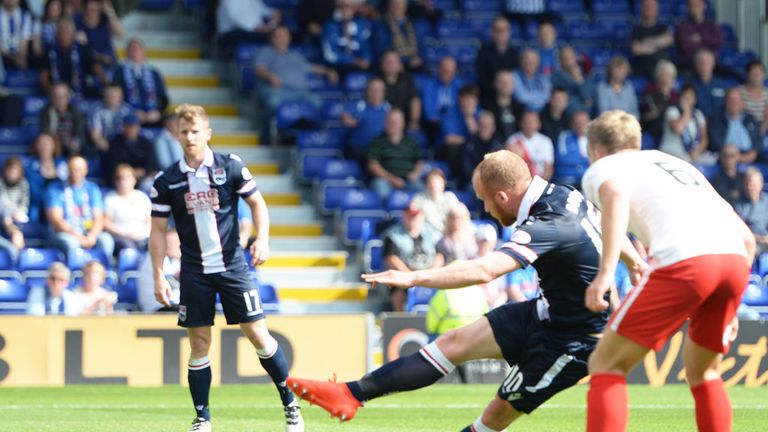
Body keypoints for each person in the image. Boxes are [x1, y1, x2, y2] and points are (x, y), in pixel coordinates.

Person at [286, 150, 626, 431]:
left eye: (485, 202)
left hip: (575, 337)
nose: (487, 210)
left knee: (495, 416)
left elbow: (484, 270)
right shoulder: (563, 194)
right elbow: (607, 222)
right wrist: (636, 262)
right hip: (546, 311)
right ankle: (349, 394)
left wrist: (415, 278)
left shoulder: (548, 224)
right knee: (453, 342)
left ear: (503, 195)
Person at [580, 110, 754, 432]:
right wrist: (731, 309)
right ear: (637, 141)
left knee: (605, 364)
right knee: (705, 373)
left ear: (595, 150)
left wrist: (605, 273)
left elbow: (615, 196)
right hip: (733, 260)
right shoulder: (676, 163)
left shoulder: (603, 167)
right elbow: (745, 237)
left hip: (686, 261)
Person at [149, 104, 303, 432]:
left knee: (257, 334)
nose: (190, 138)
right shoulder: (167, 180)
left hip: (233, 266)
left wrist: (262, 239)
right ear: (176, 135)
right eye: (184, 132)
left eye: (195, 131)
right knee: (199, 343)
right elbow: (158, 231)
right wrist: (158, 273)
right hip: (194, 270)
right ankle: (202, 418)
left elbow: (257, 203)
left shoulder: (229, 166)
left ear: (208, 134)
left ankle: (290, 402)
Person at [253, 25, 336, 113]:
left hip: (301, 92)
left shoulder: (295, 55)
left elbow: (311, 67)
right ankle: (274, 126)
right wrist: (270, 76)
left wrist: (328, 71)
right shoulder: (265, 52)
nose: (281, 38)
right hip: (279, 91)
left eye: (284, 35)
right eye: (277, 36)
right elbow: (259, 70)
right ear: (271, 39)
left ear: (289, 38)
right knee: (274, 101)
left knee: (318, 103)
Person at [45, 155, 114, 259]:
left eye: (79, 169)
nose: (75, 172)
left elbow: (98, 217)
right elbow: (56, 220)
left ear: (86, 170)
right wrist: (78, 237)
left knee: (106, 239)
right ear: (68, 169)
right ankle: (76, 272)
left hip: (88, 231)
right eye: (72, 169)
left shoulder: (92, 189)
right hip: (65, 233)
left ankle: (103, 272)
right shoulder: (55, 189)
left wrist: (92, 236)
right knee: (72, 243)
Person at [379, 201, 442, 312]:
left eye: (415, 216)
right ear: (404, 216)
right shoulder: (393, 235)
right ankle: (400, 321)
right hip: (405, 275)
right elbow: (391, 259)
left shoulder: (432, 233)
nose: (412, 219)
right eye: (409, 216)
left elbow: (440, 256)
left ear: (421, 217)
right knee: (398, 291)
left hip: (429, 274)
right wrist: (410, 277)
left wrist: (431, 274)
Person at [367, 108, 423, 200]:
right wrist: (391, 179)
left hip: (408, 181)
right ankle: (385, 215)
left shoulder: (411, 142)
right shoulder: (377, 141)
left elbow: (420, 161)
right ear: (385, 123)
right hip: (385, 180)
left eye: (396, 122)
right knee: (381, 192)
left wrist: (415, 173)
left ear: (403, 124)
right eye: (390, 122)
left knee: (421, 191)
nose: (393, 125)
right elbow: (372, 165)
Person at [112, 38, 169, 127]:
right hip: (128, 117)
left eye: (138, 49)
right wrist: (131, 111)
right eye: (132, 49)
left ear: (144, 52)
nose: (135, 52)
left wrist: (158, 112)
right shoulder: (119, 72)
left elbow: (163, 98)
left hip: (153, 117)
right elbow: (115, 96)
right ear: (126, 52)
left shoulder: (154, 73)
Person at [341, 77, 391, 162]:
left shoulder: (388, 108)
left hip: (380, 152)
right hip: (359, 150)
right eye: (372, 89)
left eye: (378, 90)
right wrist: (347, 119)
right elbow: (344, 114)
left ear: (383, 92)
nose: (375, 93)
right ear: (366, 91)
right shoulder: (359, 106)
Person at [104, 164, 150, 255]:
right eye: (120, 178)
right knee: (129, 248)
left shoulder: (142, 197)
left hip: (143, 236)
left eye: (127, 177)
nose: (123, 181)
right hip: (121, 237)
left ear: (134, 179)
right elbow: (106, 223)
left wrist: (140, 233)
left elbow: (150, 220)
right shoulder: (110, 199)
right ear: (116, 181)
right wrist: (124, 234)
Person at [708, 87, 762, 163]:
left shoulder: (751, 119)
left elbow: (758, 140)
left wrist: (753, 154)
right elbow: (715, 142)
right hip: (726, 158)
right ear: (725, 102)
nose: (734, 103)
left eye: (737, 100)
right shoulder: (717, 119)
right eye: (731, 100)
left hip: (750, 158)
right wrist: (733, 156)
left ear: (742, 103)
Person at [659, 84, 708, 163]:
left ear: (695, 100)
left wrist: (697, 151)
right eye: (685, 97)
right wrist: (686, 112)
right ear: (680, 98)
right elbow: (678, 129)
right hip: (671, 152)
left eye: (690, 97)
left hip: (691, 154)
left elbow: (704, 139)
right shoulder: (672, 111)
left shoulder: (698, 114)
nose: (687, 100)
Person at [25, 132, 68, 222]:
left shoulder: (63, 164)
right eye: (41, 144)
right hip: (39, 207)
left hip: (62, 206)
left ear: (54, 146)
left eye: (48, 144)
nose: (45, 147)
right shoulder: (30, 167)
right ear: (36, 147)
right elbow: (33, 192)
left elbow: (69, 187)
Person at [321, 0, 372, 73]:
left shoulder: (361, 25)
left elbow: (367, 48)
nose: (346, 10)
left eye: (349, 6)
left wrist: (366, 59)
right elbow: (329, 55)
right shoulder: (329, 27)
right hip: (336, 68)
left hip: (359, 69)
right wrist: (352, 60)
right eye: (343, 6)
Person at [137, 225, 180, 312]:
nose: (172, 246)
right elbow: (171, 281)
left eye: (175, 243)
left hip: (171, 305)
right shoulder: (154, 258)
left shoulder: (175, 261)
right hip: (156, 308)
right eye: (169, 243)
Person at [216, 0, 281, 58]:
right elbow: (235, 17)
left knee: (281, 33)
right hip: (231, 33)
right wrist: (257, 28)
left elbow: (261, 9)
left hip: (253, 30)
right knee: (272, 36)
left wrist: (273, 13)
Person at [475, 16, 518, 102]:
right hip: (488, 98)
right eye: (498, 30)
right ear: (492, 32)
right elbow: (483, 79)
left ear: (509, 32)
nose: (501, 34)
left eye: (504, 30)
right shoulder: (483, 53)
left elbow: (515, 78)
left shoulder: (514, 53)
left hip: (510, 98)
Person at [39, 82, 88, 157]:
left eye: (63, 96)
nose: (60, 99)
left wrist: (75, 142)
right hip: (54, 145)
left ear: (68, 97)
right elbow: (45, 133)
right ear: (51, 97)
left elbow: (80, 133)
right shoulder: (45, 112)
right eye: (56, 96)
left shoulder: (75, 112)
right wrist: (62, 141)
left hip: (72, 145)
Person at [674, 0, 723, 74]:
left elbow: (717, 41)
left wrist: (701, 38)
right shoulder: (682, 26)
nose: (695, 8)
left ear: (704, 6)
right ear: (688, 8)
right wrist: (707, 42)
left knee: (734, 75)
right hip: (689, 64)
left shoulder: (712, 25)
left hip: (711, 64)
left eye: (698, 5)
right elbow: (685, 46)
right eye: (692, 5)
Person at [372, 0, 422, 71]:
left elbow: (420, 44)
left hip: (414, 63)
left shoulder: (412, 23)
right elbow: (382, 48)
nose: (398, 7)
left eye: (401, 5)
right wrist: (405, 60)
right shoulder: (381, 24)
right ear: (389, 6)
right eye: (395, 5)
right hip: (394, 64)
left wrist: (419, 58)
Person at [377, 50, 420, 131]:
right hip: (383, 122)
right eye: (388, 61)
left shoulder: (407, 79)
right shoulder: (376, 81)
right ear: (382, 64)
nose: (391, 64)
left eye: (394, 61)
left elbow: (415, 100)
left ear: (400, 65)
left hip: (405, 121)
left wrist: (414, 121)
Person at [630, 0, 673, 80]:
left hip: (662, 67)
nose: (649, 9)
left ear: (657, 9)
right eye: (647, 6)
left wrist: (646, 42)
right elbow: (636, 49)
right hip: (644, 68)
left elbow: (668, 40)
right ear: (642, 9)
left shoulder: (662, 27)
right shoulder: (637, 29)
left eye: (652, 7)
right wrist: (658, 44)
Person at [504, 111, 554, 180]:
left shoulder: (546, 141)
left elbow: (548, 169)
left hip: (540, 183)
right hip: (520, 183)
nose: (529, 125)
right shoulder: (513, 140)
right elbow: (509, 169)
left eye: (533, 122)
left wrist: (539, 185)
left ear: (539, 124)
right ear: (521, 123)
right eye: (526, 122)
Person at [640, 60, 678, 145]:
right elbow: (654, 111)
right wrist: (664, 94)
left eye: (669, 75)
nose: (666, 77)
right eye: (663, 74)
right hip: (655, 128)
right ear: (658, 75)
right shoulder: (650, 90)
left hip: (672, 128)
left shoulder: (675, 94)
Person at [88, 83, 134, 153]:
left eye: (114, 96)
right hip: (105, 148)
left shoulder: (128, 110)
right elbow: (96, 136)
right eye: (108, 96)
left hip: (124, 147)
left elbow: (132, 131)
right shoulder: (96, 110)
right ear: (104, 96)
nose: (111, 99)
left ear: (121, 96)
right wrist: (112, 151)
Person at [411, 168, 459, 233]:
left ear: (444, 183)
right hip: (428, 234)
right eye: (431, 182)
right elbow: (412, 216)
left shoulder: (450, 197)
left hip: (449, 233)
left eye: (437, 182)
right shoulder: (419, 198)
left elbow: (459, 215)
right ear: (426, 185)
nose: (434, 185)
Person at [480, 70, 523, 140]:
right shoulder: (486, 106)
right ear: (495, 84)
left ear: (513, 86)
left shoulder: (520, 108)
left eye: (508, 83)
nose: (505, 85)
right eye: (502, 82)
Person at [734, 168, 768, 255]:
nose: (750, 187)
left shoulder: (766, 201)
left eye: (754, 184)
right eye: (747, 184)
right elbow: (739, 231)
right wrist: (758, 238)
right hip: (752, 243)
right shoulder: (738, 205)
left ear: (760, 184)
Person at [552, 110, 590, 188]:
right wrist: (585, 161)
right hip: (567, 180)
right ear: (572, 123)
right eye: (577, 122)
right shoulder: (564, 136)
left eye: (583, 122)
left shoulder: (592, 138)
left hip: (586, 180)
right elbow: (562, 159)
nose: (580, 125)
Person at [551, 45, 594, 113]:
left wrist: (579, 80)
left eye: (570, 57)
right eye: (564, 58)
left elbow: (587, 98)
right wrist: (583, 104)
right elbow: (563, 104)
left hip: (585, 117)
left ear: (575, 58)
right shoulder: (556, 78)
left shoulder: (586, 77)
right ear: (560, 61)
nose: (568, 60)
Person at [0, 0, 34, 69]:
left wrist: (20, 57)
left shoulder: (25, 15)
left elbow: (24, 42)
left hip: (20, 57)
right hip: (2, 57)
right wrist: (11, 57)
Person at [739, 60, 768, 134]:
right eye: (754, 73)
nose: (757, 76)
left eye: (759, 73)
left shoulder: (767, 93)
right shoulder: (739, 92)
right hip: (743, 128)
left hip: (763, 129)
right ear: (748, 75)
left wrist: (761, 131)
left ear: (763, 75)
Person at [0, 156, 30, 223]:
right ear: (4, 172)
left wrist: (19, 212)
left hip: (18, 213)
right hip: (3, 212)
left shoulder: (24, 183)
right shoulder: (0, 183)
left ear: (20, 172)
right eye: (9, 172)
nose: (12, 175)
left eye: (15, 172)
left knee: (24, 219)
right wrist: (11, 212)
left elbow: (24, 203)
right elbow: (3, 201)